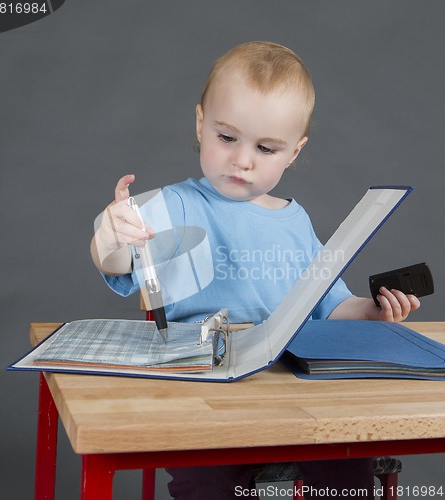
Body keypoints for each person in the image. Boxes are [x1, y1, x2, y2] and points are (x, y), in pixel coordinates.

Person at [90, 41, 420, 500]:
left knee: (348, 458)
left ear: (293, 152)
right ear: (202, 123)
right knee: (203, 478)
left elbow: (331, 303)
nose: (242, 159)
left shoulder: (296, 220)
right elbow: (118, 261)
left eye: (266, 148)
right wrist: (111, 235)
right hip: (208, 386)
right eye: (228, 138)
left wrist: (371, 311)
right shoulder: (173, 205)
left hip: (294, 386)